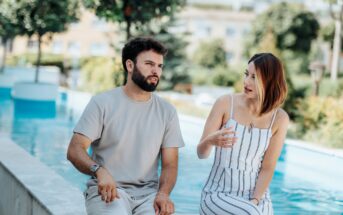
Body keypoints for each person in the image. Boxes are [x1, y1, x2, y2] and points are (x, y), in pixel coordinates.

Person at [67, 37, 184, 215]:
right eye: (149, 64)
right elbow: (75, 149)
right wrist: (99, 171)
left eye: (159, 66)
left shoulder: (167, 112)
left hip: (148, 197)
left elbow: (170, 165)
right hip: (108, 192)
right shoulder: (102, 103)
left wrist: (163, 194)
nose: (156, 71)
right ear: (130, 66)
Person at [197, 53, 289, 215]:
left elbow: (268, 167)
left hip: (257, 196)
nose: (246, 82)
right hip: (218, 193)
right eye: (246, 74)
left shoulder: (279, 119)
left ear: (269, 82)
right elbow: (201, 154)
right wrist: (210, 141)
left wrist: (254, 200)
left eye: (254, 77)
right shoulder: (225, 103)